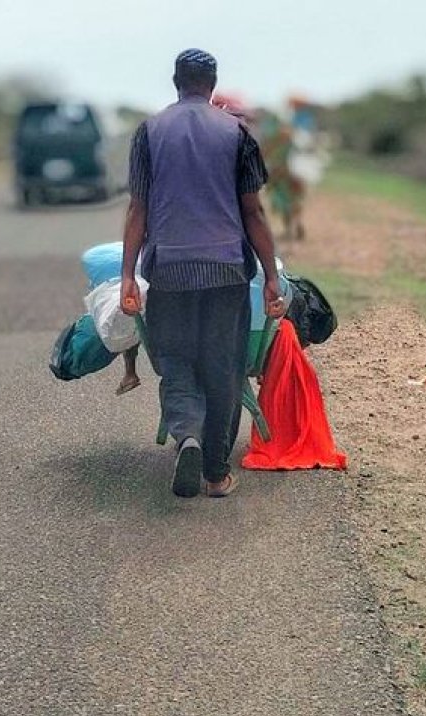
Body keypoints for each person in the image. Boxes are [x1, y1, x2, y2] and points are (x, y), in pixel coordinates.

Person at [120, 49, 283, 498]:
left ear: (176, 81)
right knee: (224, 367)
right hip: (226, 270)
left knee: (176, 361)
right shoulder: (237, 133)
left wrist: (128, 276)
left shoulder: (148, 133)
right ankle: (215, 473)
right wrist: (270, 275)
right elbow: (253, 212)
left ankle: (186, 433)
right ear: (212, 84)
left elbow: (139, 209)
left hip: (169, 270)